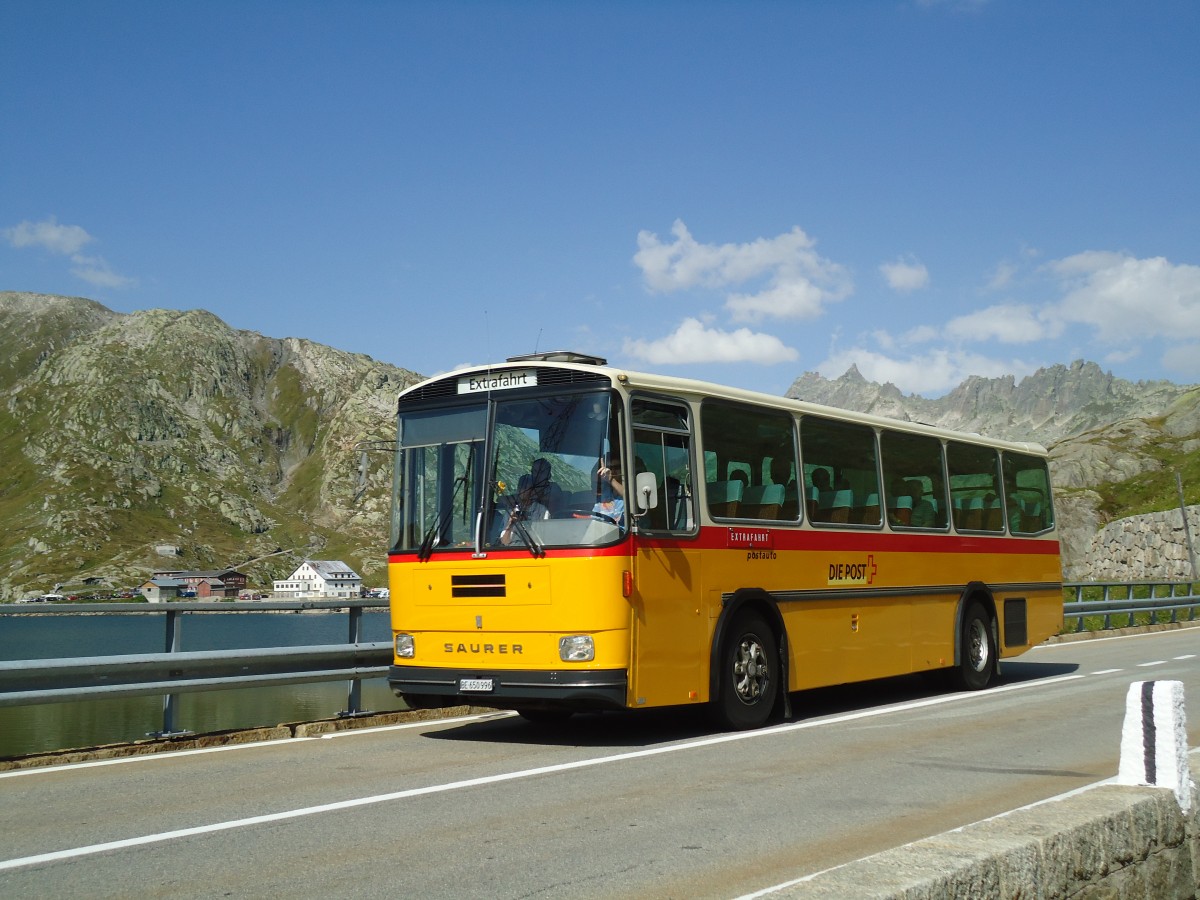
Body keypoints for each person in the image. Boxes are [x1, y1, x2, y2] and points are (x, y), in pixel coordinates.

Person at [499, 474, 550, 545]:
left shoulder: (542, 511)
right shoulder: (511, 511)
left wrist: (527, 524)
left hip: (534, 550)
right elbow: (504, 542)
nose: (522, 491)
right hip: (512, 550)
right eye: (520, 487)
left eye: (526, 488)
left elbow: (544, 540)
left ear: (532, 491)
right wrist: (510, 524)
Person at [592, 454, 625, 526]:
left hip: (625, 535)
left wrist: (611, 479)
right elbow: (594, 520)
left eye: (617, 467)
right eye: (609, 467)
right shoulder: (603, 494)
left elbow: (632, 499)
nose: (612, 471)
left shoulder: (632, 489)